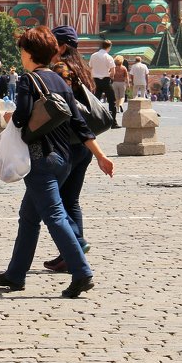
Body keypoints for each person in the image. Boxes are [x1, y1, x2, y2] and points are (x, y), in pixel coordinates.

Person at [0, 26, 96, 298]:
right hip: (64, 159)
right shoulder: (61, 80)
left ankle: (81, 272)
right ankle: (15, 274)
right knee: (28, 217)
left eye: (23, 50)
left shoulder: (29, 80)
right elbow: (79, 123)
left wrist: (11, 118)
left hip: (40, 158)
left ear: (29, 52)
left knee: (55, 216)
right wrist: (101, 155)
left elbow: (23, 116)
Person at [44, 25, 115, 273]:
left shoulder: (61, 71)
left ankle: (75, 246)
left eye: (51, 44)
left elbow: (60, 108)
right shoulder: (83, 69)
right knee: (70, 199)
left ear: (61, 47)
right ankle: (69, 252)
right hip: (85, 143)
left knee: (56, 201)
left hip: (68, 143)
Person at [88, 39, 117, 121]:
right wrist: (111, 77)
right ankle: (113, 121)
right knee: (112, 101)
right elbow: (113, 71)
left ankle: (94, 120)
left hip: (96, 80)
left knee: (95, 101)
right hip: (106, 80)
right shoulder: (108, 57)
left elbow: (90, 67)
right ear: (109, 47)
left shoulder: (93, 55)